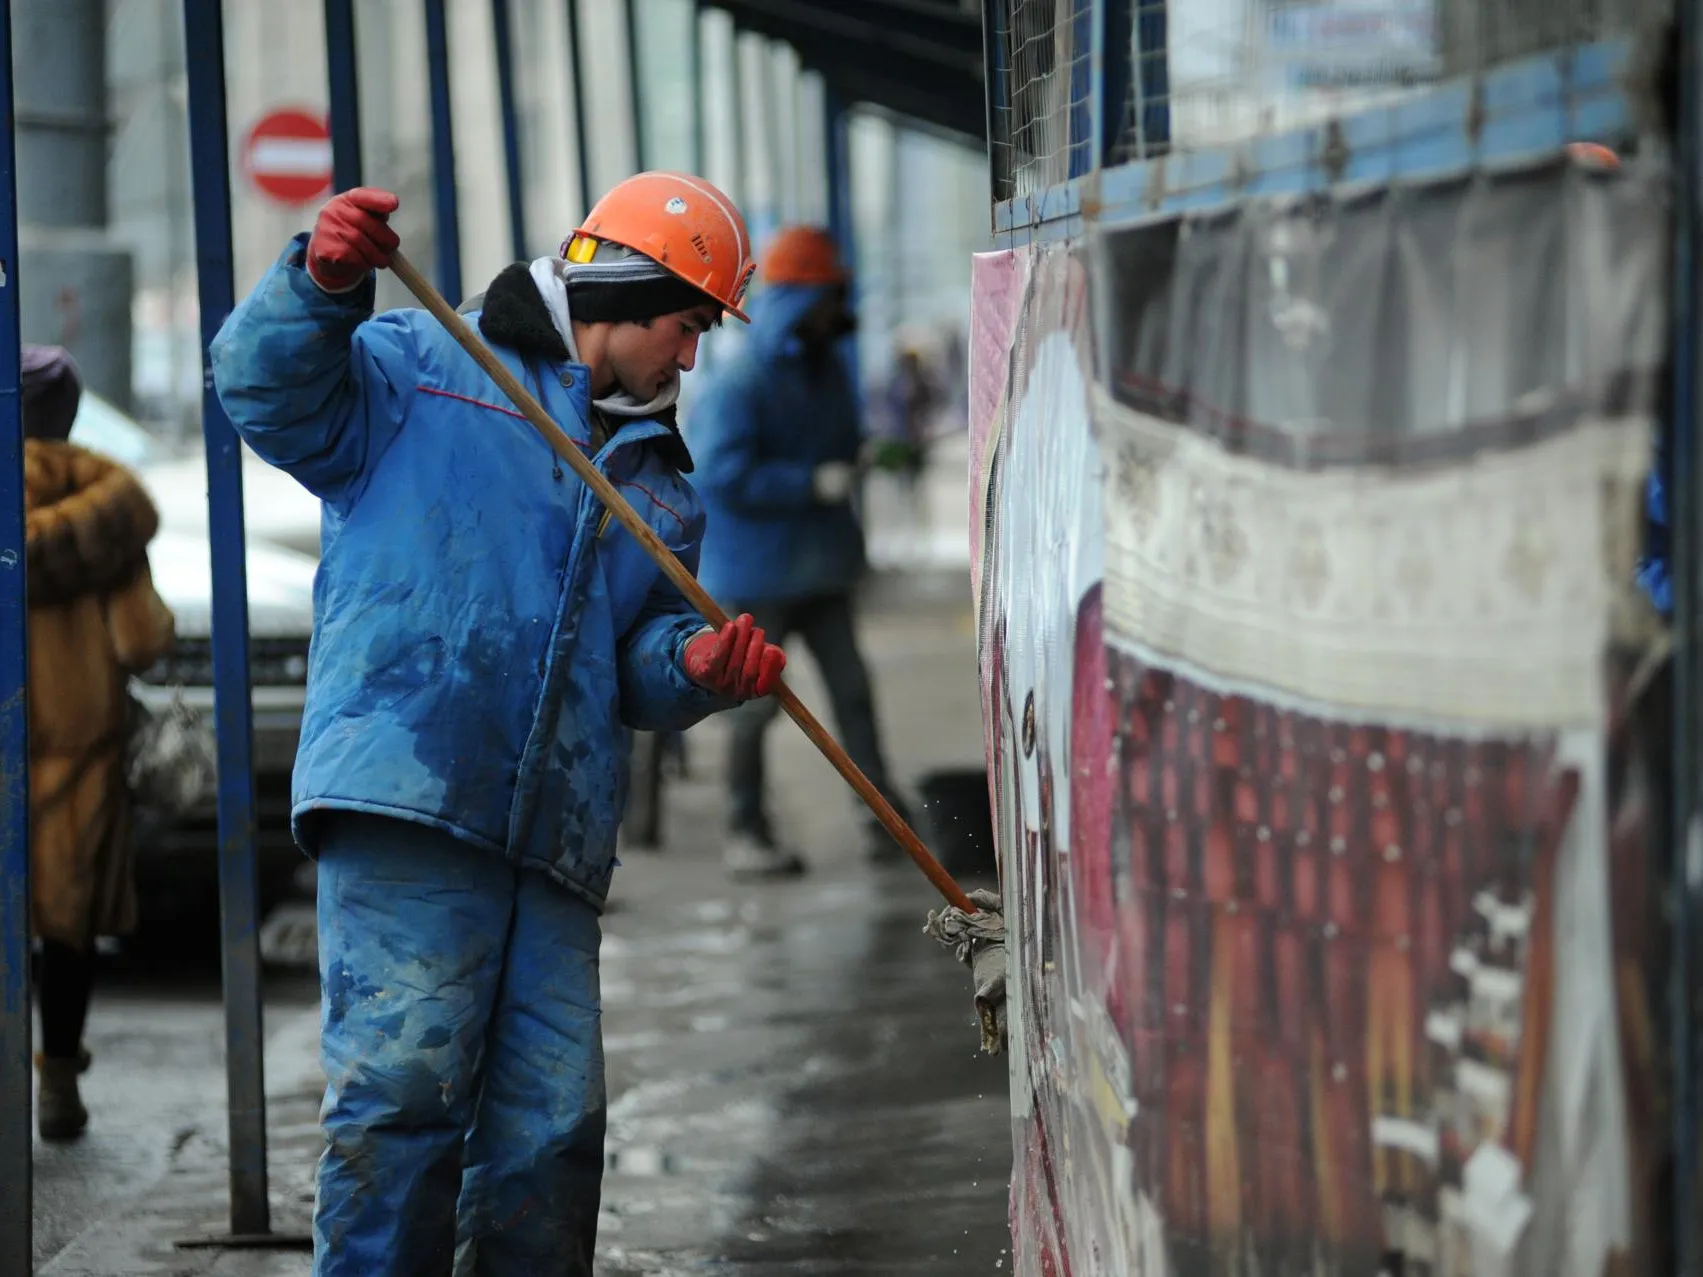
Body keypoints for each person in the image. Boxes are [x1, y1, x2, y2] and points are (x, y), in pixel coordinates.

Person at [209, 173, 787, 1276]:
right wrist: (321, 281)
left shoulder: (661, 489)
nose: (689, 358)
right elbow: (262, 390)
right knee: (401, 1104)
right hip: (408, 796)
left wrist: (697, 666)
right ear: (625, 289)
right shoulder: (423, 369)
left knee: (552, 1128)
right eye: (685, 325)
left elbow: (636, 666)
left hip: (553, 840)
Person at [688, 225, 912, 879]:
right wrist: (807, 482)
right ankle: (745, 828)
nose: (829, 314)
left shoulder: (826, 371)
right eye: (818, 300)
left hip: (821, 566)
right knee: (754, 707)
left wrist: (860, 458)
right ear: (793, 303)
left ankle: (883, 818)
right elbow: (718, 472)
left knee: (853, 692)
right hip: (759, 573)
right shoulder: (742, 382)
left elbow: (841, 439)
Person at [21, 343, 176, 1140]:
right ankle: (57, 1079)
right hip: (80, 747)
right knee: (66, 918)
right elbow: (144, 638)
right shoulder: (104, 507)